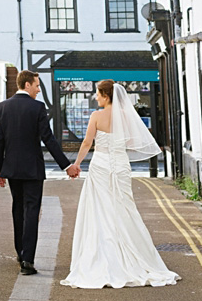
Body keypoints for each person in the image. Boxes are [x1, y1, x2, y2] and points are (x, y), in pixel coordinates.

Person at [60, 79, 180, 289]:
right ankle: (136, 256)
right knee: (124, 209)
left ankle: (106, 257)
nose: (95, 97)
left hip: (101, 165)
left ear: (106, 95)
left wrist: (76, 164)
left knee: (100, 211)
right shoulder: (126, 116)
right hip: (121, 165)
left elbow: (88, 142)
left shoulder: (97, 116)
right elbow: (133, 142)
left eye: (98, 93)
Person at [0, 69, 80, 274]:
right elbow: (48, 139)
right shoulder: (37, 108)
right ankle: (28, 260)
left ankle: (20, 252)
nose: (39, 90)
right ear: (27, 85)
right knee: (32, 211)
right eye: (37, 85)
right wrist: (66, 166)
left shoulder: (3, 107)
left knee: (18, 208)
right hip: (32, 170)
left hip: (12, 169)